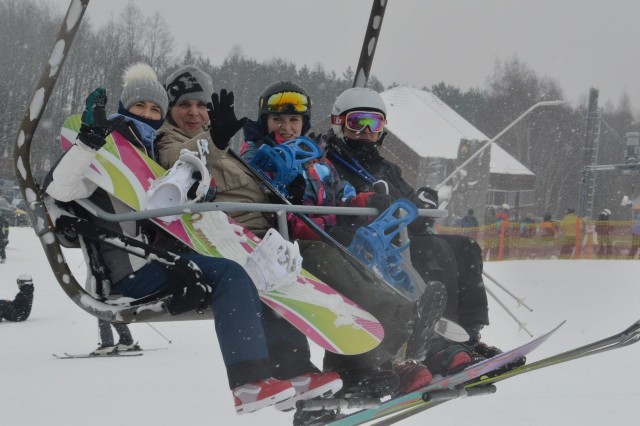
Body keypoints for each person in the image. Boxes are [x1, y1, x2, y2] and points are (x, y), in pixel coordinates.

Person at [45, 70, 299, 415]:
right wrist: (88, 143)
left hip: (159, 258)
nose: (147, 114)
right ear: (124, 106)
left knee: (251, 272)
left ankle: (285, 372)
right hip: (130, 270)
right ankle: (248, 381)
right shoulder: (107, 151)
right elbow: (61, 190)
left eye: (154, 109)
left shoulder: (145, 151)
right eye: (139, 106)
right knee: (232, 275)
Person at [241, 81, 469, 396]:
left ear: (304, 124)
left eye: (293, 121)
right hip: (284, 245)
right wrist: (320, 225)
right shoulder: (258, 157)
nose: (286, 127)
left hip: (322, 237)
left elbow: (341, 196)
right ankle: (388, 343)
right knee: (342, 266)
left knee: (370, 259)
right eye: (277, 120)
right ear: (265, 121)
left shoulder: (315, 160)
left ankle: (381, 361)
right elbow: (273, 212)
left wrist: (366, 203)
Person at [154, 67, 341, 409]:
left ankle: (294, 368)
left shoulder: (220, 143)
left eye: (201, 105)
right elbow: (182, 161)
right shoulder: (169, 138)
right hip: (220, 234)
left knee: (279, 273)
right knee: (258, 274)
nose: (194, 112)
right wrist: (217, 140)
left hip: (256, 233)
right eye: (184, 105)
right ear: (170, 110)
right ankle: (251, 377)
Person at [321, 87, 504, 363]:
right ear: (338, 125)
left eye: (375, 123)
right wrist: (370, 204)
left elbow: (407, 203)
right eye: (357, 122)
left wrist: (423, 202)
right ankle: (439, 341)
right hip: (373, 243)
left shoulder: (386, 169)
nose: (366, 131)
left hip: (401, 236)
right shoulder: (331, 164)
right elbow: (335, 205)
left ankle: (468, 335)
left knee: (466, 247)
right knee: (435, 249)